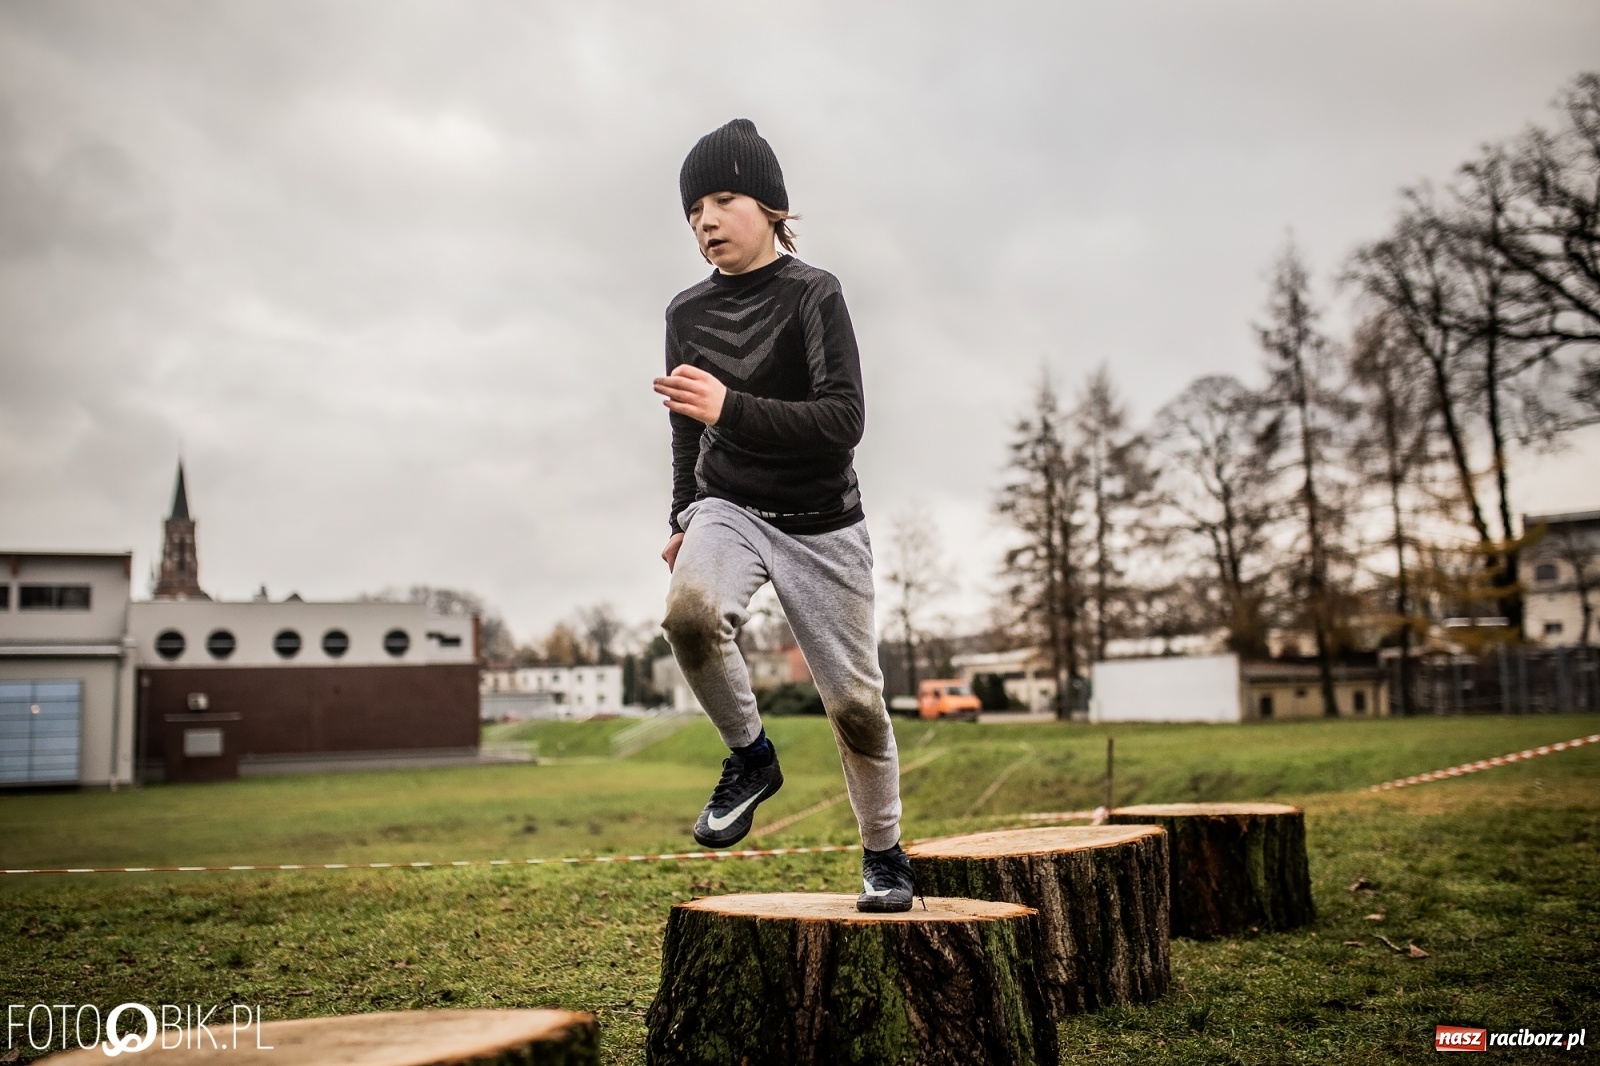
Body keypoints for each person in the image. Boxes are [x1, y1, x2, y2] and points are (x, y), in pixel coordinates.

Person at [652, 118, 913, 912]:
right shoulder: (685, 314)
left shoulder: (814, 293)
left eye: (722, 198)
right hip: (728, 504)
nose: (704, 220)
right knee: (690, 618)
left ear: (769, 206)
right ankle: (751, 758)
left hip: (823, 520)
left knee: (857, 706)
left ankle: (885, 855)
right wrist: (682, 514)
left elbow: (843, 420)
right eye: (692, 207)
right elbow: (687, 427)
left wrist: (731, 404)